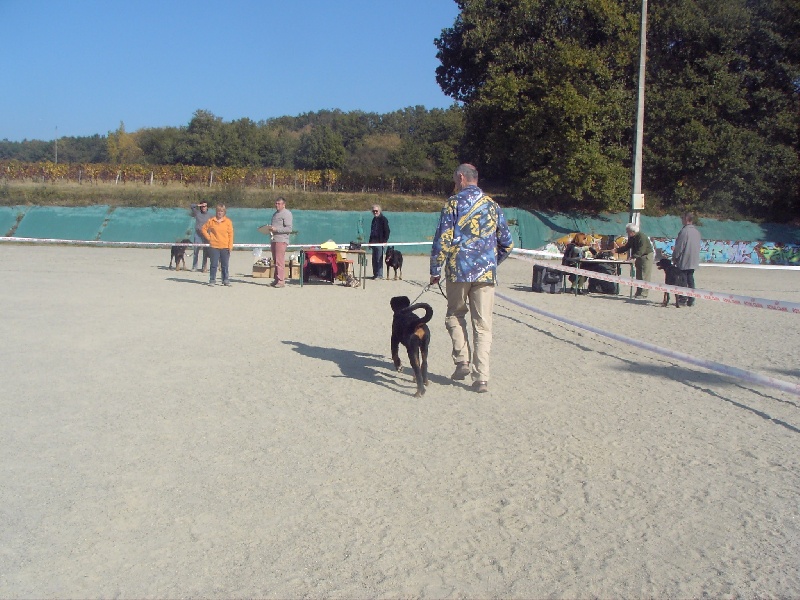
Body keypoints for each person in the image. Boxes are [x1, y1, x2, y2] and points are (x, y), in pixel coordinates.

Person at [429, 163, 513, 394]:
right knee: (483, 326)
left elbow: (443, 239)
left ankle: (462, 361)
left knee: (454, 315)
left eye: (455, 180)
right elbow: (507, 243)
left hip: (458, 271)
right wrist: (491, 263)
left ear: (462, 178)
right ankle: (481, 378)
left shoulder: (453, 203)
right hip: (485, 274)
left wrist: (435, 269)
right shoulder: (493, 205)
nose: (455, 184)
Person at [614, 223, 654, 298]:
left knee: (644, 275)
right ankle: (638, 292)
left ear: (632, 231)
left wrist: (632, 257)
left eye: (627, 231)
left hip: (646, 256)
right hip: (638, 256)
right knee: (638, 275)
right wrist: (616, 250)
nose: (627, 233)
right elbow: (627, 247)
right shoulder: (632, 238)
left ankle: (644, 294)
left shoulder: (641, 237)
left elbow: (642, 250)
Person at [672, 212, 701, 306]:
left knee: (683, 280)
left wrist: (675, 257)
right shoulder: (697, 231)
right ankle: (691, 299)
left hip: (685, 259)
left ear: (686, 219)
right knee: (690, 279)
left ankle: (683, 299)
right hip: (693, 259)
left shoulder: (684, 231)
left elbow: (680, 246)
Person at [201, 204, 234, 287]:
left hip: (225, 246)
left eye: (221, 211)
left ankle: (225, 280)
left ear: (224, 212)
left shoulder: (228, 222)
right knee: (214, 264)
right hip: (214, 246)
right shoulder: (211, 220)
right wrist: (209, 238)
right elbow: (203, 229)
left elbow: (231, 234)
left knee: (225, 265)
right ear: (216, 212)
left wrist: (230, 246)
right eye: (218, 211)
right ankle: (212, 280)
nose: (220, 213)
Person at [266, 197, 293, 288]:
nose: (276, 205)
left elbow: (289, 229)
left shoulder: (287, 214)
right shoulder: (275, 214)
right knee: (275, 260)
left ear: (283, 204)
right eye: (276, 203)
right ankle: (276, 279)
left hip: (281, 240)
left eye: (278, 203)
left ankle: (281, 281)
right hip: (274, 239)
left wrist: (276, 229)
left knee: (280, 261)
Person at [189, 200, 212, 272]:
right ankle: (194, 266)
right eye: (202, 206)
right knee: (196, 251)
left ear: (207, 207)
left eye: (205, 206)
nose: (203, 207)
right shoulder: (197, 213)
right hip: (198, 234)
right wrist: (199, 205)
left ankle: (204, 267)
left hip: (206, 235)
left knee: (205, 251)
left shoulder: (210, 215)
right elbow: (191, 206)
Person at [369, 204, 390, 279]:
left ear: (379, 211)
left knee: (379, 259)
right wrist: (370, 242)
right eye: (373, 211)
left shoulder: (383, 219)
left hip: (380, 242)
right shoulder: (374, 220)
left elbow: (387, 231)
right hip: (373, 242)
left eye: (376, 211)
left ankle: (380, 275)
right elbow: (372, 232)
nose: (375, 212)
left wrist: (385, 241)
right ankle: (375, 274)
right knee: (374, 259)